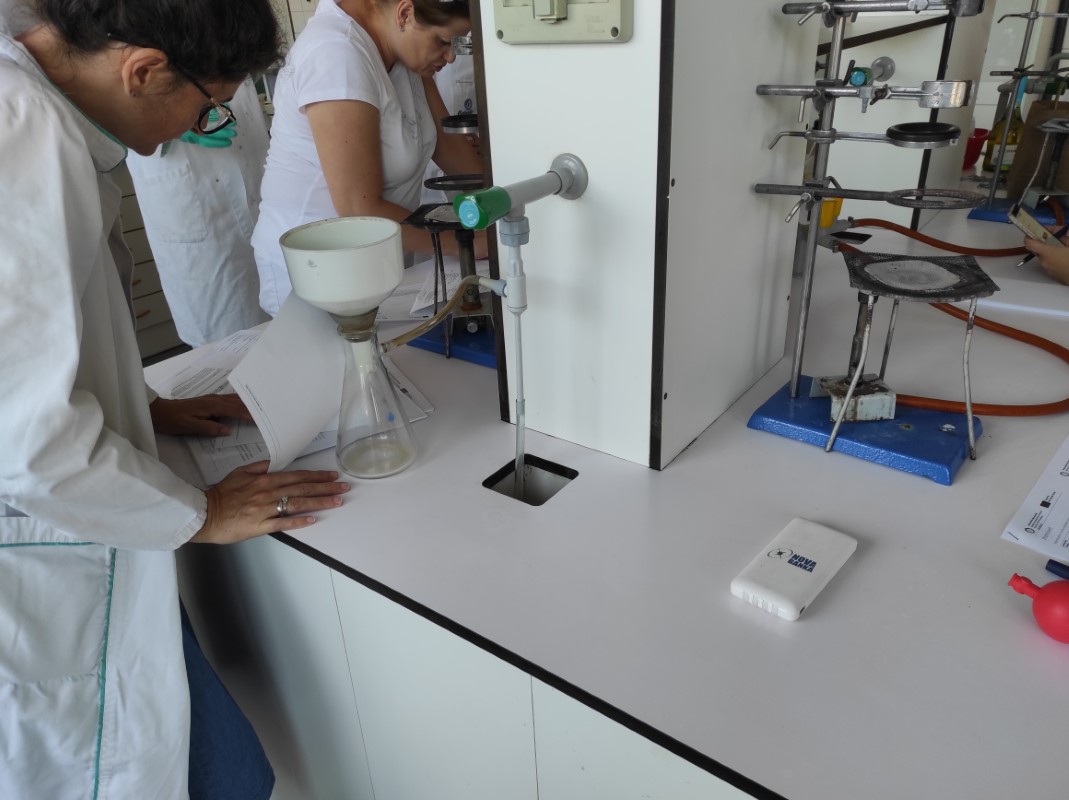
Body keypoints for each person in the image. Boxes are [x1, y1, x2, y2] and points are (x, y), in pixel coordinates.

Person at [0, 2, 351, 798]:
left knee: (218, 761)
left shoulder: (38, 106)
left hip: (77, 539)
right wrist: (200, 514)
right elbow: (30, 444)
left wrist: (138, 404)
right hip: (41, 566)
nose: (202, 126)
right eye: (208, 106)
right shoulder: (24, 139)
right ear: (144, 70)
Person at [252, 0, 485, 316]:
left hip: (374, 258)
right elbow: (359, 208)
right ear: (405, 14)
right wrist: (467, 242)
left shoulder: (401, 51)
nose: (450, 56)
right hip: (318, 269)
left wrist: (501, 200)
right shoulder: (336, 53)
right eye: (443, 41)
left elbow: (448, 146)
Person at [125, 77, 272, 347]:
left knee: (288, 324)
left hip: (251, 149)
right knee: (226, 347)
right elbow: (98, 101)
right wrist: (170, 124)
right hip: (187, 186)